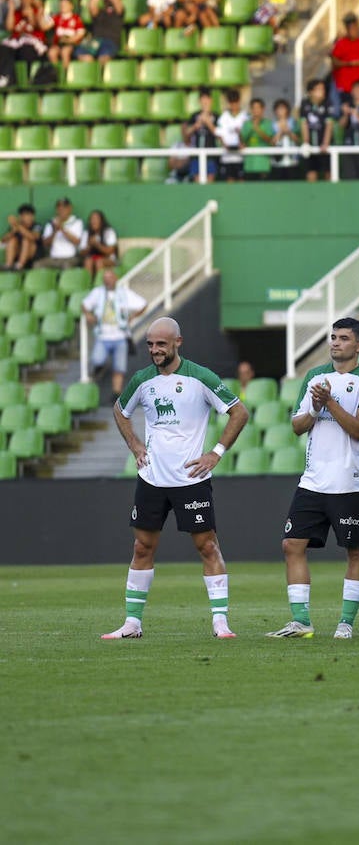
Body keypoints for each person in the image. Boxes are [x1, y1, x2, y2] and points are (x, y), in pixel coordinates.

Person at [102, 317, 249, 640]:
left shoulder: (201, 377)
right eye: (151, 345)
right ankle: (132, 623)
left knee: (207, 546)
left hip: (191, 479)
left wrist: (216, 453)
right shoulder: (142, 380)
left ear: (178, 342)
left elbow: (239, 412)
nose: (155, 350)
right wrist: (135, 444)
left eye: (161, 345)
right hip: (152, 478)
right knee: (142, 547)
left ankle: (220, 621)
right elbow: (119, 410)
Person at [267, 318, 359, 640]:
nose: (335, 343)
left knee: (354, 550)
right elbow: (297, 426)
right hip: (313, 480)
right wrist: (315, 407)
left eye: (343, 338)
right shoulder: (315, 376)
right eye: (332, 337)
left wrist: (329, 402)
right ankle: (301, 621)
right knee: (292, 544)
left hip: (349, 482)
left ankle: (346, 623)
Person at [82, 268, 147, 397]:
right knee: (97, 359)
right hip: (102, 334)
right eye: (105, 279)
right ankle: (100, 367)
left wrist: (132, 317)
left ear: (116, 279)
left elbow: (143, 304)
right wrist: (88, 315)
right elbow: (85, 305)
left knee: (119, 367)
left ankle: (116, 394)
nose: (108, 281)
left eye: (110, 278)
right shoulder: (97, 292)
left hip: (120, 335)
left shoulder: (124, 293)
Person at [329, 13, 359, 112]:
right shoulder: (341, 43)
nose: (353, 31)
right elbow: (334, 62)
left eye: (355, 28)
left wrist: (357, 63)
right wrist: (349, 64)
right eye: (350, 28)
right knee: (342, 111)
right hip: (343, 86)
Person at [37, 197, 85, 270]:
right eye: (59, 208)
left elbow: (77, 241)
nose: (61, 210)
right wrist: (55, 231)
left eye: (64, 208)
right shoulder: (51, 223)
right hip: (53, 258)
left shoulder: (77, 222)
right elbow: (45, 243)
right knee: (37, 265)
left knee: (66, 266)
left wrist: (62, 229)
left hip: (70, 257)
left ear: (70, 208)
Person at [2, 204, 40, 270]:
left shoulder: (36, 226)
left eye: (28, 215)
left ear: (32, 216)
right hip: (18, 256)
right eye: (23, 215)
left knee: (26, 240)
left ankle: (19, 266)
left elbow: (33, 237)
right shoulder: (16, 226)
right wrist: (13, 231)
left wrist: (18, 226)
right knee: (12, 240)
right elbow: (3, 240)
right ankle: (8, 265)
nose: (26, 217)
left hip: (33, 257)